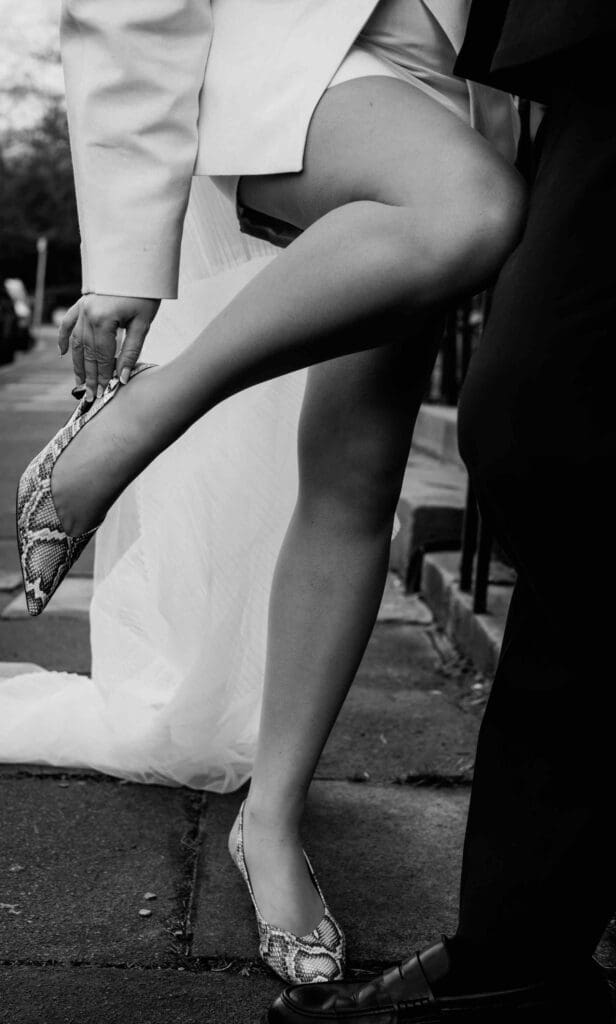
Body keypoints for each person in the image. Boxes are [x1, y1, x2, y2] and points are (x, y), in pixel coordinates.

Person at [14, 0, 525, 988]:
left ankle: (271, 818)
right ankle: (145, 411)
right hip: (318, 66)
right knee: (465, 206)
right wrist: (124, 254)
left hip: (468, 95)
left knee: (355, 469)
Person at [264, 1, 616, 1020]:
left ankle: (518, 949)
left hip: (501, 111)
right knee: (523, 437)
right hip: (479, 85)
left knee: (527, 429)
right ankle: (517, 951)